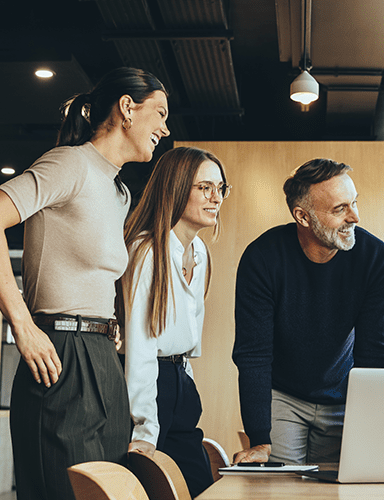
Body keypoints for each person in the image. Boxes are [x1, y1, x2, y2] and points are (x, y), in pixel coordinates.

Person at [0, 67, 170, 500]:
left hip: (101, 357)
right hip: (59, 353)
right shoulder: (69, 163)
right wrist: (23, 326)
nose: (165, 129)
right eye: (161, 113)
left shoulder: (119, 192)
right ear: (127, 108)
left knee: (106, 490)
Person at [231, 158, 384, 465]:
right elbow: (253, 354)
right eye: (340, 209)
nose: (355, 217)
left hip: (346, 395)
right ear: (303, 216)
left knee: (336, 490)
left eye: (354, 203)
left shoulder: (376, 259)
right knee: (283, 490)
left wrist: (374, 428)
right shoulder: (262, 258)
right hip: (284, 395)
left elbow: (374, 351)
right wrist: (259, 438)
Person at [121, 146, 229, 497]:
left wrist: (188, 384)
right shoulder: (146, 250)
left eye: (220, 188)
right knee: (149, 489)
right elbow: (140, 346)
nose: (216, 198)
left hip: (181, 381)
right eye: (205, 188)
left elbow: (190, 336)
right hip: (150, 385)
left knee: (198, 488)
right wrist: (145, 428)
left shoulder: (199, 252)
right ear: (177, 188)